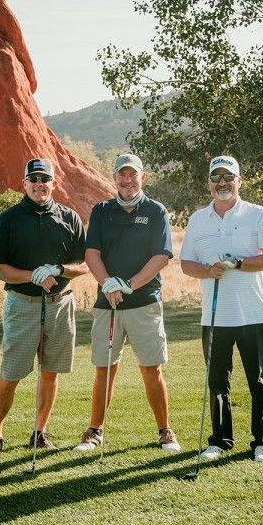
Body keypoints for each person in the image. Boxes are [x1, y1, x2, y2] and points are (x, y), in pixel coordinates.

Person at [75, 153, 181, 452]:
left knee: (151, 368)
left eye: (132, 174)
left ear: (142, 177)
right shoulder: (102, 211)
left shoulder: (156, 210)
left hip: (144, 302)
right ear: (115, 178)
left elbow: (161, 256)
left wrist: (128, 285)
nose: (127, 179)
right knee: (104, 368)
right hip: (107, 303)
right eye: (122, 174)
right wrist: (107, 282)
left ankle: (165, 430)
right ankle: (94, 431)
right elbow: (91, 254)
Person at [179, 155, 263, 463]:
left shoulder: (257, 214)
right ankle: (220, 440)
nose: (222, 183)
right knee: (217, 382)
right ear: (209, 183)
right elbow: (186, 264)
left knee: (259, 380)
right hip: (214, 317)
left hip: (252, 314)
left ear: (239, 181)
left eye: (228, 177)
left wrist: (237, 262)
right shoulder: (198, 219)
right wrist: (208, 271)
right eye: (217, 178)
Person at [0, 158, 88, 455]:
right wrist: (32, 276)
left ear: (54, 183)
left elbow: (84, 265)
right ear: (24, 183)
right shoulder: (9, 219)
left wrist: (57, 270)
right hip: (23, 304)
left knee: (50, 372)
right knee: (11, 373)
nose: (39, 185)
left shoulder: (70, 218)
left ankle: (39, 432)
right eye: (34, 179)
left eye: (45, 179)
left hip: (60, 304)